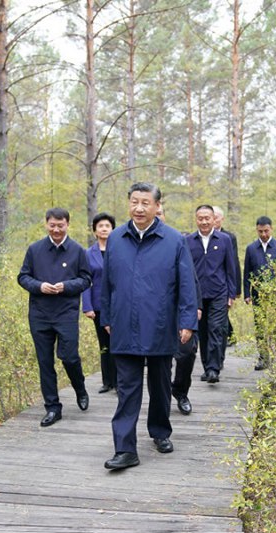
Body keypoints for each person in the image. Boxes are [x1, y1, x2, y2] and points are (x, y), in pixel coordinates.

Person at [101, 182, 198, 470]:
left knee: (159, 384)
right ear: (128, 204)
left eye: (145, 202)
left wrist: (187, 321)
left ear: (157, 206)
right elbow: (106, 283)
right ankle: (125, 449)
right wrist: (106, 316)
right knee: (127, 388)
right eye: (134, 201)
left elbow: (187, 285)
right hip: (124, 325)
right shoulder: (116, 238)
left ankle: (160, 431)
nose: (139, 208)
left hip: (159, 323)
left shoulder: (173, 240)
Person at [17, 208, 92, 427]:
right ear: (46, 224)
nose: (57, 229)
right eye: (52, 225)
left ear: (68, 224)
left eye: (61, 225)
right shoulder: (35, 249)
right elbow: (23, 277)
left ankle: (80, 388)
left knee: (69, 356)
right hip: (40, 314)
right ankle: (52, 407)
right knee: (45, 362)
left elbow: (86, 279)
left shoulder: (78, 251)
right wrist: (39, 286)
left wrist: (65, 286)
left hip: (66, 313)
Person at [156, 205, 201, 416]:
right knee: (160, 363)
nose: (156, 217)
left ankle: (180, 392)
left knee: (186, 354)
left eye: (159, 213)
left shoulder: (176, 240)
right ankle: (162, 402)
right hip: (154, 314)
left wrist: (195, 308)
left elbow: (191, 279)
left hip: (180, 311)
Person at [186, 205, 237, 384]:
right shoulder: (188, 241)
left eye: (207, 218)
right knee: (203, 332)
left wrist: (232, 293)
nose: (204, 221)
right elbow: (185, 270)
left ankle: (214, 369)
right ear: (196, 219)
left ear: (213, 219)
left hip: (219, 293)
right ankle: (207, 367)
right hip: (197, 295)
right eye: (201, 218)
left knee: (216, 328)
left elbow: (231, 268)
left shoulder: (224, 240)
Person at [243, 216, 276, 371]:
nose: (264, 234)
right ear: (257, 230)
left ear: (271, 229)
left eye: (266, 231)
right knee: (260, 326)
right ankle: (263, 357)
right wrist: (247, 292)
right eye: (260, 231)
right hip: (258, 295)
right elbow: (247, 272)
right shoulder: (251, 248)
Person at [82, 213, 117, 393]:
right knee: (104, 344)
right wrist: (87, 306)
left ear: (113, 229)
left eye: (107, 226)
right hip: (98, 305)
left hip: (118, 305)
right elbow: (86, 281)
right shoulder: (88, 254)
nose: (104, 229)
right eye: (100, 226)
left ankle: (119, 381)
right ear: (95, 230)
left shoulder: (119, 250)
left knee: (118, 343)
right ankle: (107, 381)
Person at [213, 206, 241, 348]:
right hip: (210, 284)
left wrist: (236, 289)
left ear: (222, 219)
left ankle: (226, 341)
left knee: (221, 316)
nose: (214, 220)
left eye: (217, 217)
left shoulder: (229, 237)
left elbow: (234, 263)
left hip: (224, 283)